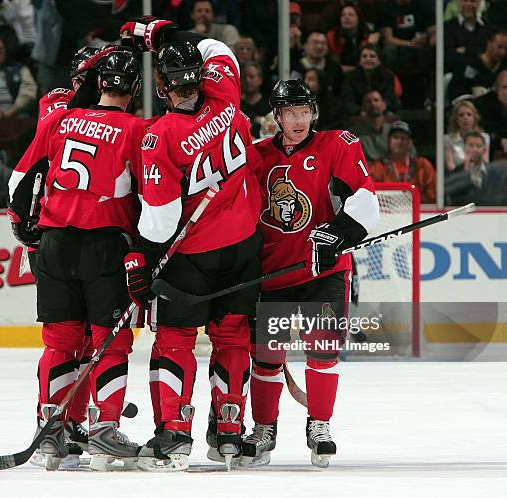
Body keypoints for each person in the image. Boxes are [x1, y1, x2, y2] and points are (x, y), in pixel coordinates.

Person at [119, 18, 262, 471]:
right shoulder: (226, 95)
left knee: (176, 339)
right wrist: (164, 35)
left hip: (193, 254)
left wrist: (141, 253)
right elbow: (220, 46)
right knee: (234, 336)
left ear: (162, 87)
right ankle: (230, 432)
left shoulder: (158, 137)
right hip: (244, 246)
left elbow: (160, 224)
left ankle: (174, 435)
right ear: (200, 76)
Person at [8, 48, 147, 472]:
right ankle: (104, 427)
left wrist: (24, 225)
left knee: (60, 340)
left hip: (53, 245)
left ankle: (49, 429)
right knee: (111, 341)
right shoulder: (137, 130)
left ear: (99, 84)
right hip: (104, 247)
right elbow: (150, 196)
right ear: (134, 89)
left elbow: (19, 179)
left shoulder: (60, 119)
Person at [243, 79, 379, 468]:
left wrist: (336, 233)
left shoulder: (336, 145)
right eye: (290, 113)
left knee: (323, 351)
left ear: (313, 113)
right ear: (278, 117)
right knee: (267, 357)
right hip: (273, 274)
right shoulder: (258, 156)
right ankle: (263, 427)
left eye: (304, 112)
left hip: (324, 271)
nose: (298, 120)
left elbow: (366, 199)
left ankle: (319, 423)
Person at [370, 120, 437, 203]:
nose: (399, 141)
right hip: (387, 213)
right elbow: (370, 194)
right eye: (395, 137)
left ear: (410, 142)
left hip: (421, 213)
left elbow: (433, 195)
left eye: (403, 138)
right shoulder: (378, 166)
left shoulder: (423, 165)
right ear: (388, 141)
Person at [445, 130, 506, 205]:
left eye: (478, 146)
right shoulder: (455, 173)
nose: (474, 149)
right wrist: (466, 173)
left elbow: (499, 198)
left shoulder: (495, 172)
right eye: (471, 145)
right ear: (464, 148)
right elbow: (452, 200)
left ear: (484, 150)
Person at [448, 26, 507, 102]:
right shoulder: (468, 63)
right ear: (489, 43)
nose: (503, 52)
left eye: (506, 49)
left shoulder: (504, 68)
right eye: (499, 47)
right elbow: (454, 91)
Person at [340, 44, 401, 116]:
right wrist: (360, 112)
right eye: (364, 56)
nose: (368, 59)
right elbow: (348, 100)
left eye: (372, 56)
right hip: (358, 113)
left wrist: (382, 106)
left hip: (382, 111)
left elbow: (389, 98)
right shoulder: (350, 77)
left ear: (379, 61)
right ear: (359, 61)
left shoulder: (387, 76)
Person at [327, 2, 380, 73]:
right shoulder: (332, 35)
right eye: (343, 15)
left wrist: (369, 44)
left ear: (358, 19)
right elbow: (335, 64)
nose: (346, 17)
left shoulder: (368, 36)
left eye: (351, 15)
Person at [349, 89, 397, 162]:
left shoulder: (395, 131)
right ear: (363, 108)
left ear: (384, 105)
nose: (373, 104)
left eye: (376, 100)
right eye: (368, 102)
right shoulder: (354, 134)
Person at [444, 100, 490, 171]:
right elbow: (450, 167)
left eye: (469, 114)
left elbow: (485, 162)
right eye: (461, 115)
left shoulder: (484, 137)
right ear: (456, 119)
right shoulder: (447, 139)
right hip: (457, 177)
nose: (465, 118)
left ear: (474, 118)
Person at [444, 0, 488, 73]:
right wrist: (477, 53)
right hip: (454, 74)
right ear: (459, 2)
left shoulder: (487, 27)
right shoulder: (447, 27)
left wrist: (466, 50)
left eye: (472, 1)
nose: (468, 4)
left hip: (482, 74)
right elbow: (449, 56)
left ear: (479, 3)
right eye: (464, 0)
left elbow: (487, 53)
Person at [473, 69, 507, 157]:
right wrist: (500, 140)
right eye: (505, 87)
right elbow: (481, 128)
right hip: (491, 149)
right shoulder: (482, 104)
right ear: (496, 87)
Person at [241, 61, 270, 139]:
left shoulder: (269, 105)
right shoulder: (236, 106)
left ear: (260, 80)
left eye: (251, 77)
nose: (247, 80)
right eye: (244, 77)